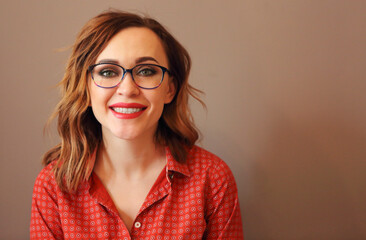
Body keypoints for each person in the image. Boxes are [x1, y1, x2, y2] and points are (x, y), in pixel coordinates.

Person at [30, 10, 243, 240]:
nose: (128, 88)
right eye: (108, 72)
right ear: (86, 89)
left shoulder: (212, 178)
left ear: (169, 89)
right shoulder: (53, 186)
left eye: (146, 71)